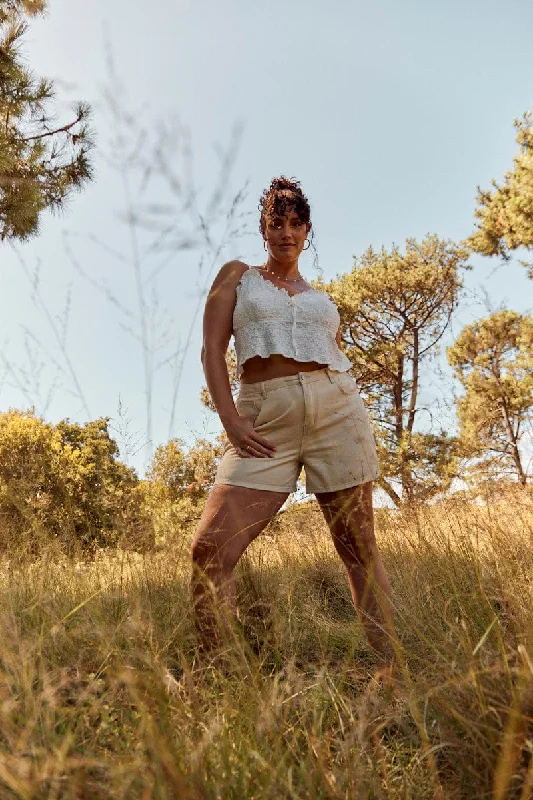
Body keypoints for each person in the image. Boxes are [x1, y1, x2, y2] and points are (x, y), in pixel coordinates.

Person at [191, 175, 397, 670]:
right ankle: (222, 678)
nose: (287, 232)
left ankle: (395, 673)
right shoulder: (237, 276)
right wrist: (231, 421)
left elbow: (329, 353)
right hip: (265, 418)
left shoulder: (319, 297)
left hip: (337, 411)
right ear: (264, 230)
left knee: (359, 548)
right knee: (208, 553)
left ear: (308, 231)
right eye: (276, 223)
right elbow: (211, 352)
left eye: (296, 223)